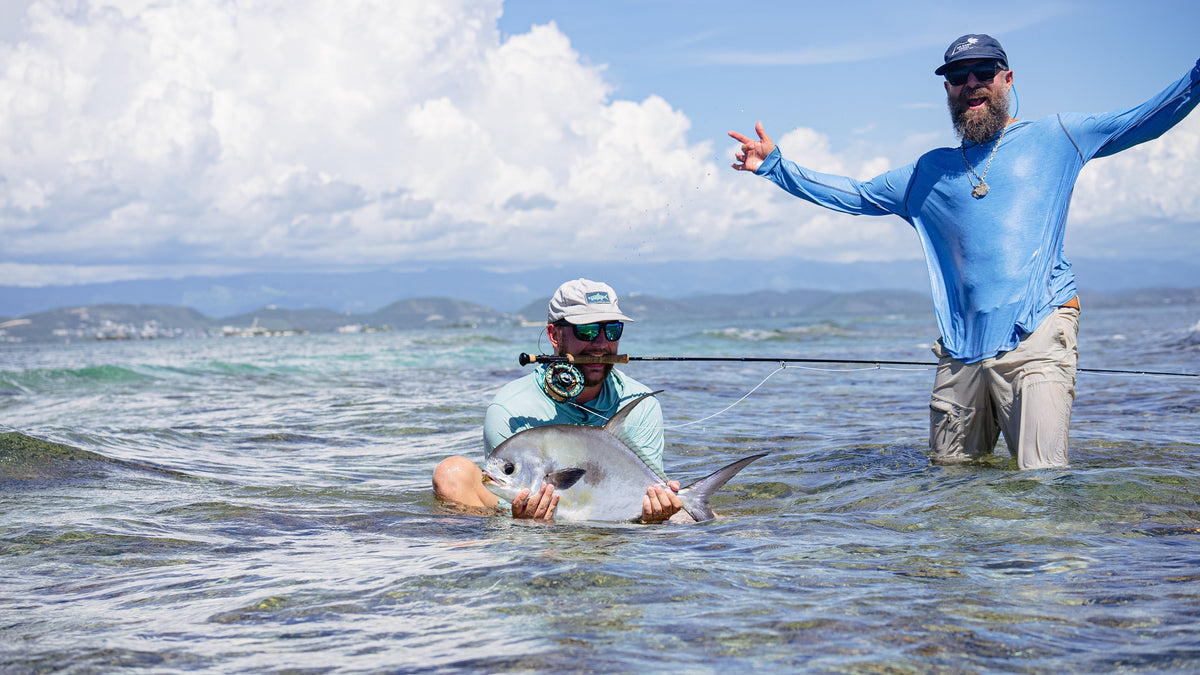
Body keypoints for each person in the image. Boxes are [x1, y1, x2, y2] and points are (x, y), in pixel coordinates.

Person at [730, 34, 1200, 470]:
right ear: (948, 90)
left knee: (1041, 480)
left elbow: (1146, 119)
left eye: (983, 73)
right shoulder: (927, 172)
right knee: (950, 486)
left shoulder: (1058, 136)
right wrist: (775, 165)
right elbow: (854, 194)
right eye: (958, 77)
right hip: (961, 349)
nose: (971, 85)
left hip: (1037, 330)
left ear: (1007, 79)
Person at [433, 278, 683, 522]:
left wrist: (655, 513)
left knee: (694, 518)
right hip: (530, 521)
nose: (601, 344)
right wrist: (523, 523)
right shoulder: (511, 410)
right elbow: (507, 499)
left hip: (612, 509)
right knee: (451, 473)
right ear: (554, 335)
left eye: (612, 330)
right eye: (587, 330)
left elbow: (644, 491)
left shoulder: (640, 402)